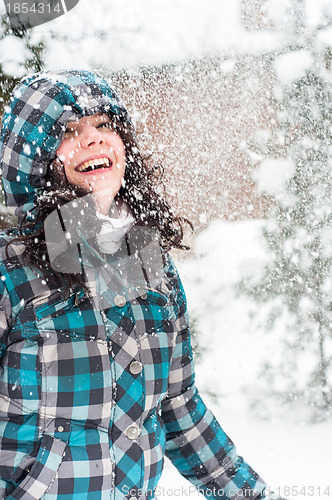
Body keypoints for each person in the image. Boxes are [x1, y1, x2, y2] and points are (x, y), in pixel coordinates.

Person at [0, 70, 283, 500]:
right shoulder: (10, 270)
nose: (94, 139)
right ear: (32, 161)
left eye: (106, 125)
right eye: (71, 131)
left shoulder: (142, 258)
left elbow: (177, 410)